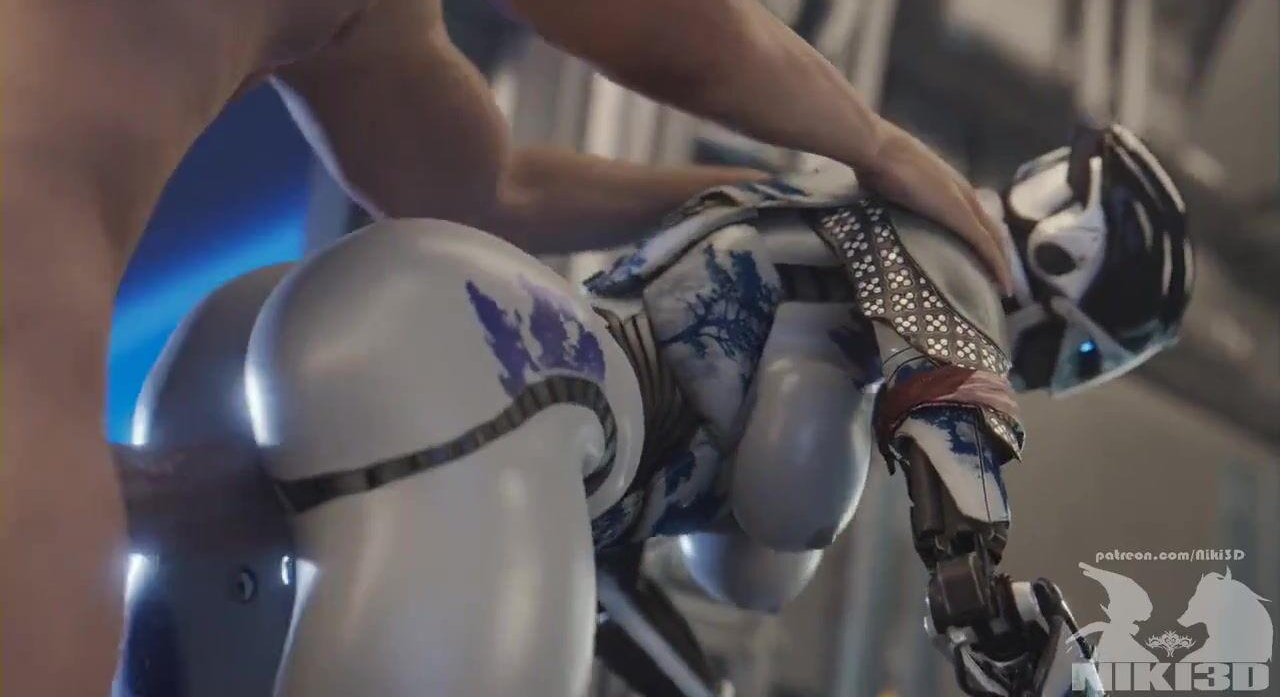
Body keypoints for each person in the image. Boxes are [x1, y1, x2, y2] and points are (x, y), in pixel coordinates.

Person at [1, 0, 1016, 694]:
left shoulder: (362, 1)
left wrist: (752, 204)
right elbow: (659, 15)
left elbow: (484, 186)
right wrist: (872, 145)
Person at [117, 123, 1183, 695]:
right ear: (1069, 263)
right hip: (512, 395)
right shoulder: (939, 276)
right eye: (1087, 354)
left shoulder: (818, 199)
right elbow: (929, 427)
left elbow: (642, 573)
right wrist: (992, 619)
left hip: (331, 320)